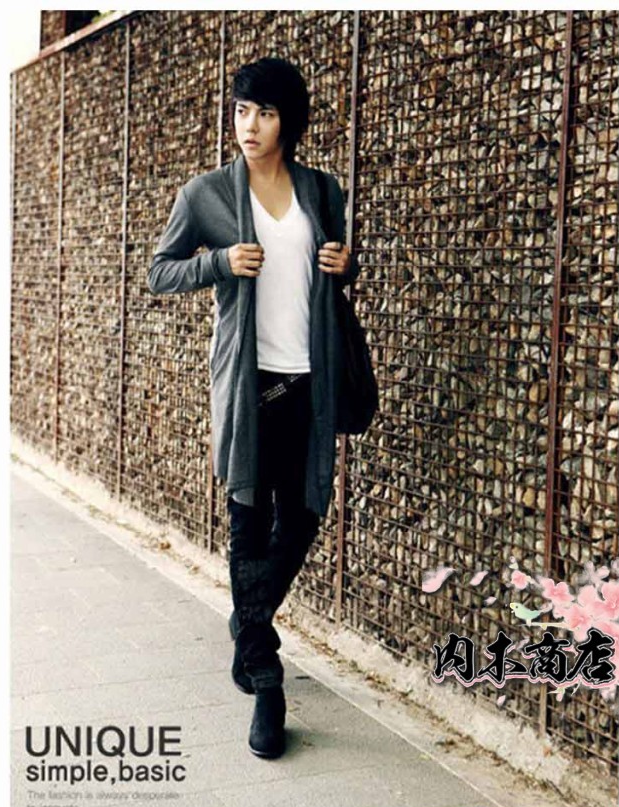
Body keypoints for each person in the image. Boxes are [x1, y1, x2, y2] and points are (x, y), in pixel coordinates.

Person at [147, 57, 360, 760]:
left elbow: (330, 271)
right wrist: (218, 263)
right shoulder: (207, 194)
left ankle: (248, 624)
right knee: (248, 520)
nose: (249, 124)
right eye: (241, 110)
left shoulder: (322, 191)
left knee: (301, 516)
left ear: (287, 122)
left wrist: (346, 266)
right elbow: (159, 271)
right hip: (249, 386)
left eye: (264, 113)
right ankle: (267, 682)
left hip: (309, 382)